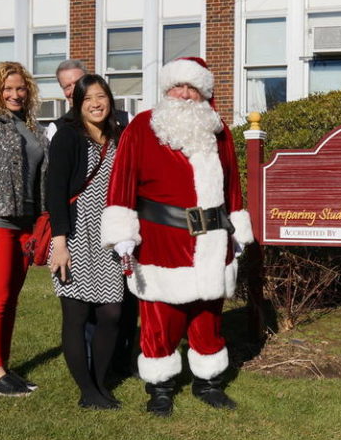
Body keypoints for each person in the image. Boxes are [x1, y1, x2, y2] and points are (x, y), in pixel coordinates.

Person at [101, 57, 253, 416]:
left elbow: (232, 184)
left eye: (192, 88)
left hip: (213, 238)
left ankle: (209, 382)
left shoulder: (219, 130)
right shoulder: (142, 126)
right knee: (160, 317)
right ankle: (160, 387)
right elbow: (121, 179)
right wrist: (123, 231)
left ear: (203, 93)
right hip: (161, 238)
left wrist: (238, 226)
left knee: (207, 315)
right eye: (178, 86)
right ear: (166, 89)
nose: (184, 95)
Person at [50, 59, 136, 379]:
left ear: (110, 100)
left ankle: (100, 382)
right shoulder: (67, 137)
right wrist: (60, 244)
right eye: (87, 99)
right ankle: (87, 391)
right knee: (76, 315)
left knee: (112, 312)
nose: (95, 104)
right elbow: (55, 193)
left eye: (101, 97)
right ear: (77, 103)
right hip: (75, 234)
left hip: (109, 236)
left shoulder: (120, 136)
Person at [0, 61, 47, 396]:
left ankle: (2, 368)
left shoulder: (33, 128)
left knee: (11, 300)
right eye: (7, 89)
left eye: (20, 88)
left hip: (25, 223)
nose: (15, 94)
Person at [46, 60, 129, 141]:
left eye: (78, 83)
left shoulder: (125, 120)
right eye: (67, 87)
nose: (74, 90)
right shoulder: (57, 129)